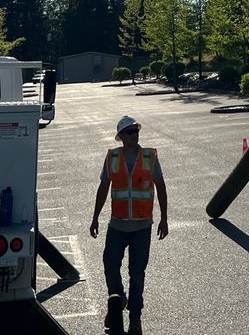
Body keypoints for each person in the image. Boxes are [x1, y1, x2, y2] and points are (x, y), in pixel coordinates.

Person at [90, 115, 168, 335]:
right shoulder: (112, 157)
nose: (135, 135)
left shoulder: (149, 156)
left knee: (137, 273)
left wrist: (164, 218)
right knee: (110, 266)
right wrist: (95, 217)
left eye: (136, 131)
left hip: (142, 227)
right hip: (117, 225)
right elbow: (103, 187)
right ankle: (118, 300)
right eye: (130, 132)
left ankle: (135, 317)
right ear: (121, 137)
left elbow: (160, 186)